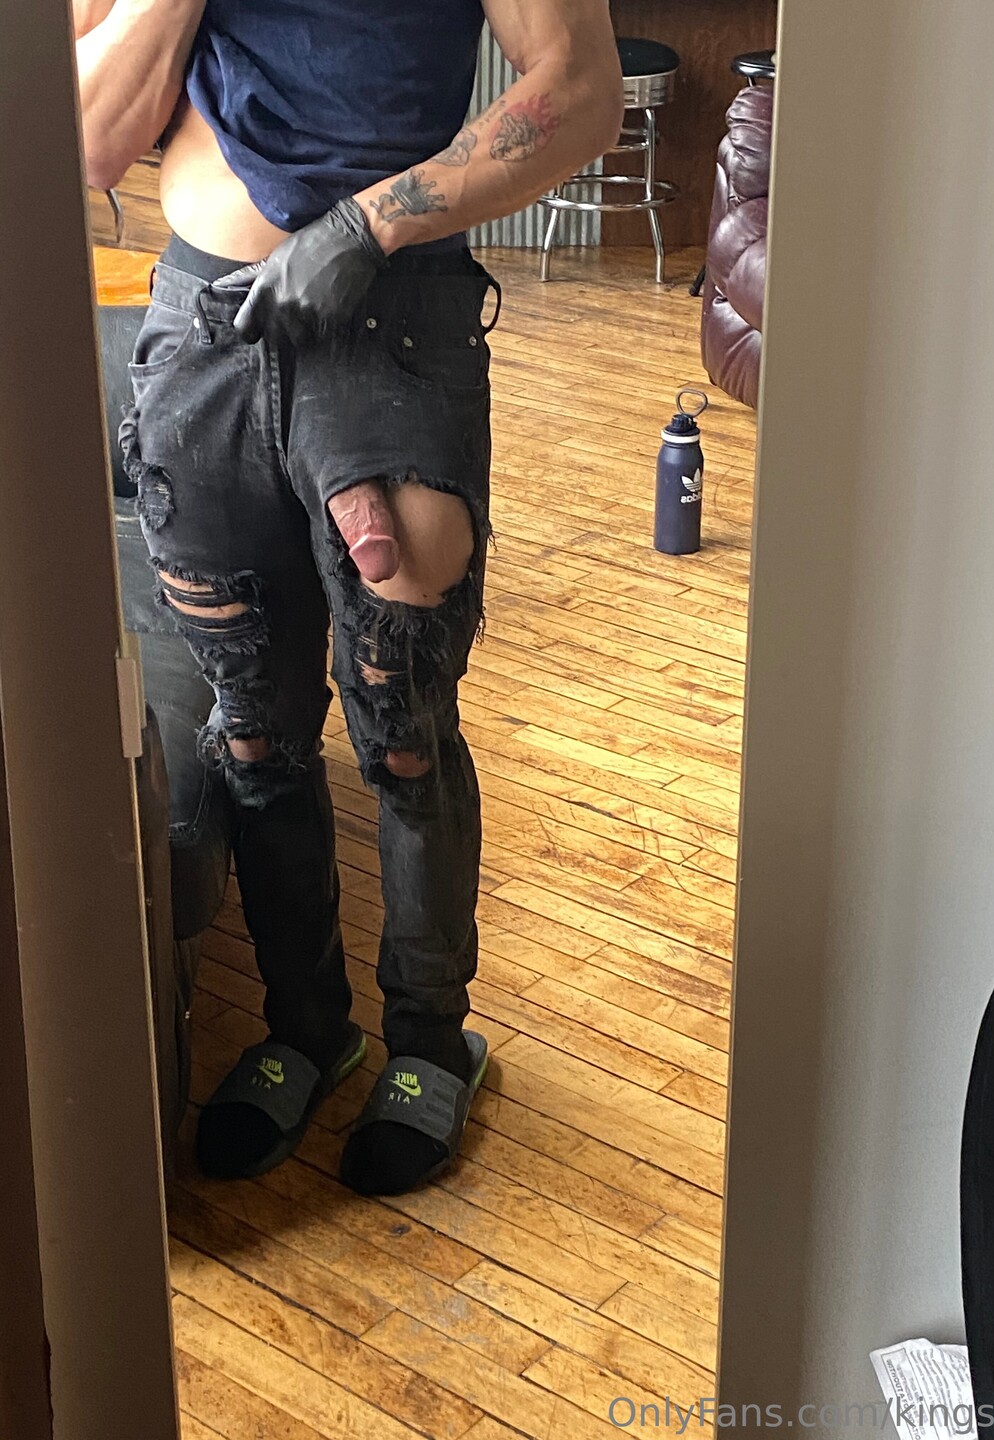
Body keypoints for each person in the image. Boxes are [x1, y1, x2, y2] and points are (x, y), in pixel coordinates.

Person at [76, 0, 623, 1196]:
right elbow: (88, 139)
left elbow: (582, 92)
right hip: (202, 330)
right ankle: (307, 1032)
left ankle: (430, 1043)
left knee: (404, 731)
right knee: (254, 737)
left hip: (393, 320)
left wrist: (368, 226)